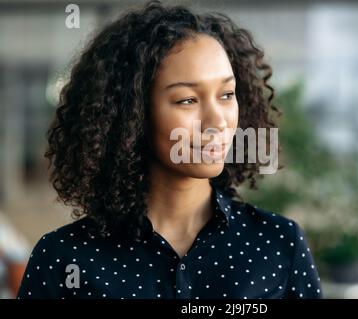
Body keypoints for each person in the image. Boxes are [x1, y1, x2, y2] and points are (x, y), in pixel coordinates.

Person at [17, 0, 322, 299]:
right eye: (187, 100)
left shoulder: (279, 243)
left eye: (227, 94)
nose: (217, 120)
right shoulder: (63, 259)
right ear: (133, 114)